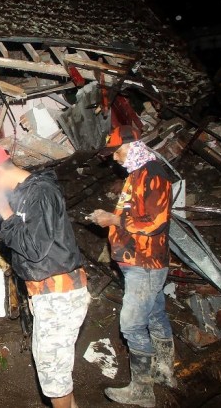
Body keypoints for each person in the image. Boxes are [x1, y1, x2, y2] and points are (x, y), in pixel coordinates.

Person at [0, 145, 90, 408]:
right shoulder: (25, 195)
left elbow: (35, 249)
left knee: (53, 375)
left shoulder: (41, 193)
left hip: (61, 295)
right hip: (49, 295)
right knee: (53, 369)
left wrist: (5, 214)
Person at [89, 125, 176, 407]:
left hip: (145, 263)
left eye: (116, 151)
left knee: (131, 324)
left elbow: (155, 223)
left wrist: (113, 221)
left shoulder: (153, 174)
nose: (114, 158)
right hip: (136, 261)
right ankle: (165, 370)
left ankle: (142, 391)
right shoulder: (137, 174)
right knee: (154, 315)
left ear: (132, 146)